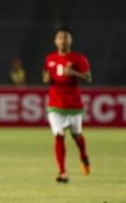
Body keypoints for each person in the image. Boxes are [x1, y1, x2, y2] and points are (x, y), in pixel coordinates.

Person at [43, 26, 92, 183]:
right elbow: (46, 76)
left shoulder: (79, 58)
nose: (63, 40)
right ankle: (62, 172)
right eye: (60, 37)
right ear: (55, 41)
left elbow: (88, 77)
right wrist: (46, 78)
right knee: (59, 135)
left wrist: (73, 73)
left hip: (73, 105)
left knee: (76, 135)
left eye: (65, 37)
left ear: (70, 40)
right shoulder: (50, 59)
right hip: (55, 104)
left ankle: (84, 156)